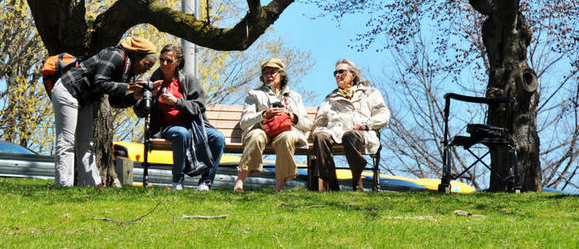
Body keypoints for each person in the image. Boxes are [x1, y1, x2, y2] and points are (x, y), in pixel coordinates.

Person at [52, 36, 157, 187]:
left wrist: (134, 97)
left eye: (149, 68)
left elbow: (114, 102)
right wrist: (128, 87)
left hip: (84, 99)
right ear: (136, 54)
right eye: (145, 64)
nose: (145, 70)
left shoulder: (127, 72)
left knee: (86, 143)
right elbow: (99, 83)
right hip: (67, 91)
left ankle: (90, 184)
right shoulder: (115, 56)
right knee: (67, 141)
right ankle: (63, 185)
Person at [134, 44, 225, 191]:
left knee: (218, 138)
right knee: (181, 133)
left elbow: (199, 107)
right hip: (168, 128)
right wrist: (149, 96)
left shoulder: (188, 80)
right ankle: (177, 181)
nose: (164, 63)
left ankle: (206, 182)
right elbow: (140, 112)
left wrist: (177, 102)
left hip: (193, 127)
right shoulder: (153, 81)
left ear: (178, 62)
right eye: (162, 59)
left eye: (169, 60)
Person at [310, 58, 390, 191]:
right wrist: (323, 131)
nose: (337, 75)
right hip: (335, 135)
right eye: (335, 73)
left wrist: (366, 125)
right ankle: (332, 186)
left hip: (361, 133)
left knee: (350, 136)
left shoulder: (369, 93)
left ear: (353, 75)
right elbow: (319, 122)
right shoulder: (330, 99)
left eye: (341, 72)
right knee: (320, 137)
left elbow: (383, 115)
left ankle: (357, 181)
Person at [233, 58, 312, 192]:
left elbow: (308, 124)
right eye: (265, 73)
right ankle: (240, 182)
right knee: (256, 136)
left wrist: (293, 117)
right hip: (261, 129)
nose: (269, 76)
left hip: (284, 131)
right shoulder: (254, 94)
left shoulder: (294, 96)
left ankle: (279, 186)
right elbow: (244, 122)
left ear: (281, 75)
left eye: (272, 72)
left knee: (287, 137)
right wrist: (263, 115)